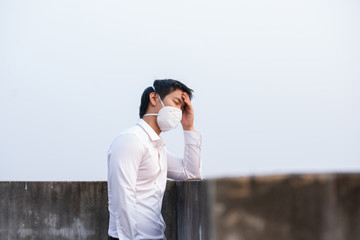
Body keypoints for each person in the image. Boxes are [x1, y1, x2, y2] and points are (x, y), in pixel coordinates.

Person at [107, 79, 202, 240]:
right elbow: (123, 197)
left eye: (182, 107)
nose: (178, 111)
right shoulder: (131, 139)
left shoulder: (157, 147)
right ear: (154, 98)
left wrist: (188, 127)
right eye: (176, 102)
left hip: (156, 236)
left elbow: (191, 173)